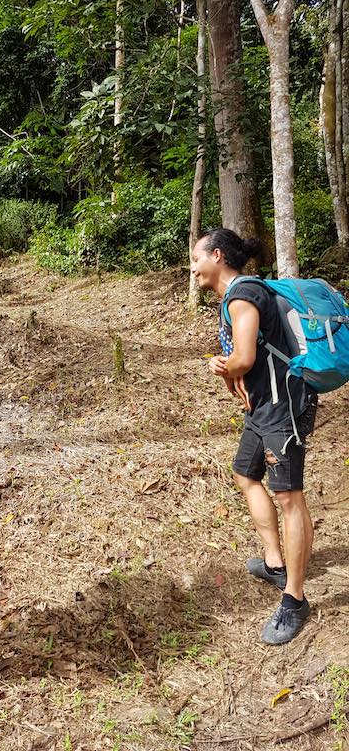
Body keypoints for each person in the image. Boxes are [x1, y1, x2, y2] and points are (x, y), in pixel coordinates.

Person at [191, 228, 318, 645]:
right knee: (245, 474)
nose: (193, 269)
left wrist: (219, 364)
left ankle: (294, 599)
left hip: (284, 406)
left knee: (289, 497)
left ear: (218, 256)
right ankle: (275, 562)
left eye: (197, 259)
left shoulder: (244, 296)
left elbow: (242, 359)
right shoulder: (235, 296)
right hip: (261, 406)